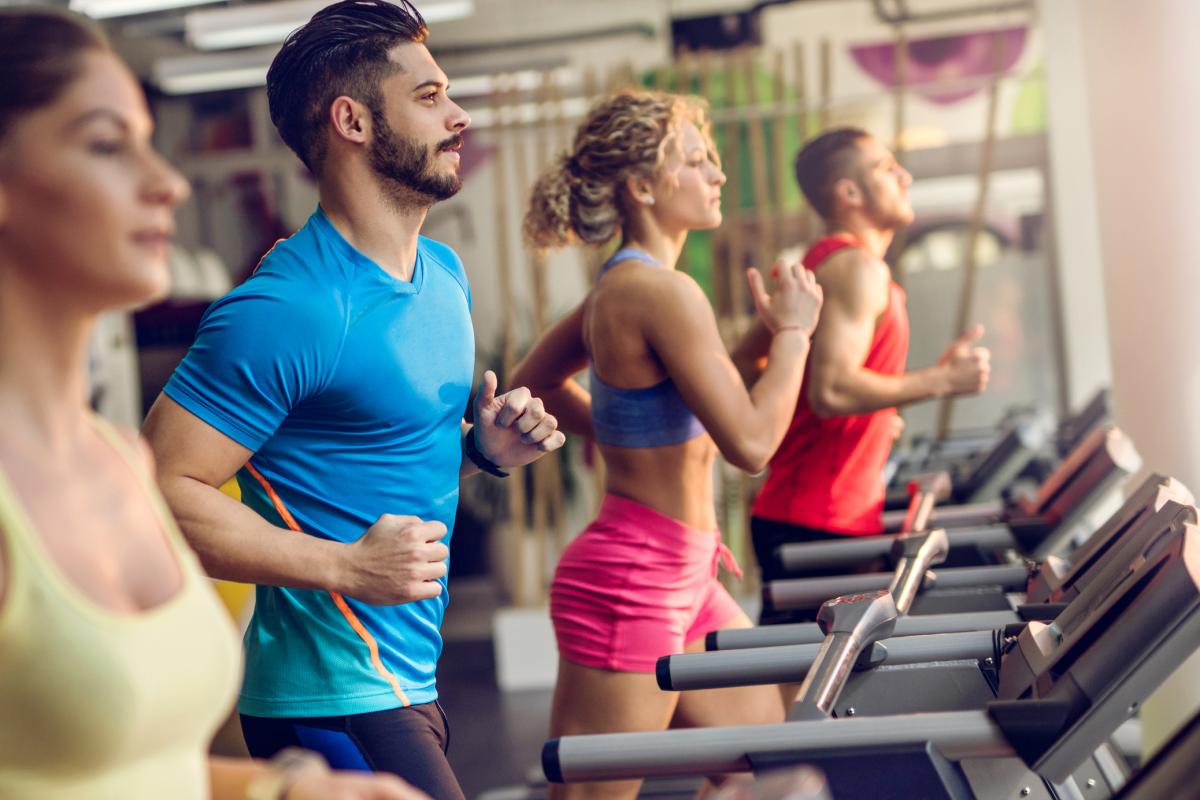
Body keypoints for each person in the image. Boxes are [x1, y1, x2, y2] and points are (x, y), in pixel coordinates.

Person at [140, 1, 564, 797]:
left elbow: (358, 467)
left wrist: (480, 452)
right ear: (353, 121)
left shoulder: (442, 274)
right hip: (327, 696)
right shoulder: (288, 308)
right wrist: (346, 567)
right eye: (429, 97)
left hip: (410, 676)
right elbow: (158, 490)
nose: (459, 115)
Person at [0, 8, 423, 799]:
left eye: (148, 142)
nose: (168, 183)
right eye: (105, 144)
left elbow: (119, 771)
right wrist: (343, 566)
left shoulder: (119, 457)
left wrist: (290, 788)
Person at [511, 88, 824, 799]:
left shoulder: (624, 287)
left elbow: (540, 383)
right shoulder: (663, 293)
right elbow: (750, 441)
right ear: (643, 187)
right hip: (631, 580)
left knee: (765, 770)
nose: (716, 174)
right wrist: (798, 334)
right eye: (695, 160)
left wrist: (626, 433)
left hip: (689, 577)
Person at [730, 128, 990, 623]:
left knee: (814, 689)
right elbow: (833, 389)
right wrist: (942, 381)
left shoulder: (825, 264)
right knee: (808, 693)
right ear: (849, 193)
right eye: (887, 169)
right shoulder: (856, 269)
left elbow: (747, 365)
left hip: (810, 512)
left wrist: (862, 421)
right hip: (817, 520)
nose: (904, 177)